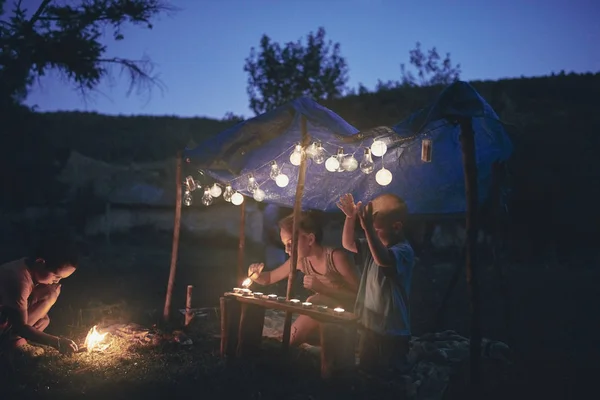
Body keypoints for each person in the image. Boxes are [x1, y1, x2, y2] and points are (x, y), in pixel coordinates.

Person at [248, 211, 359, 346]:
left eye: (291, 243)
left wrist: (322, 289)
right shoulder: (301, 260)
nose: (287, 250)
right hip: (324, 315)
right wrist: (256, 275)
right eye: (284, 245)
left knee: (315, 301)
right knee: (315, 303)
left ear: (310, 239)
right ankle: (291, 338)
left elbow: (358, 296)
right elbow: (270, 278)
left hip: (347, 314)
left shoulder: (336, 258)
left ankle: (288, 340)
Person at [337, 193, 415, 374]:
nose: (371, 231)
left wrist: (368, 231)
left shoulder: (403, 251)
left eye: (376, 229)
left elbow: (384, 260)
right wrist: (350, 218)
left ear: (396, 227)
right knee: (367, 372)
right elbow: (348, 244)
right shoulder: (373, 245)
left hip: (392, 331)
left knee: (390, 377)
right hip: (369, 325)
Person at [0, 234, 80, 356]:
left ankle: (14, 341)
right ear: (40, 262)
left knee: (44, 316)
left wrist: (41, 315)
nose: (57, 281)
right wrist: (57, 342)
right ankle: (13, 344)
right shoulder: (19, 280)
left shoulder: (29, 269)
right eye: (56, 276)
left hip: (5, 317)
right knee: (51, 293)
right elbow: (20, 327)